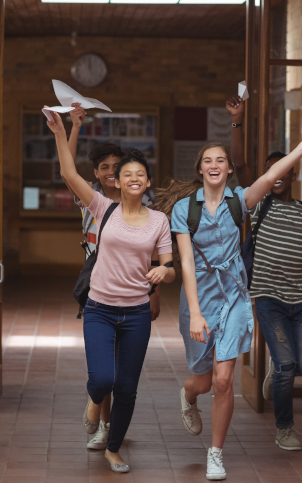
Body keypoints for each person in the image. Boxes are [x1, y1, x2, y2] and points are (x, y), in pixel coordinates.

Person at [153, 129, 302, 481]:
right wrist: (196, 313)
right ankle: (188, 395)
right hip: (198, 299)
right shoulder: (185, 209)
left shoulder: (239, 201)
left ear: (230, 169)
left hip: (233, 296)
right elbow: (185, 263)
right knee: (202, 383)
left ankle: (215, 453)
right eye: (208, 161)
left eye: (220, 160)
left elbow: (269, 177)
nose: (214, 165)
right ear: (200, 170)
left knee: (222, 380)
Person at [46, 109, 176, 473]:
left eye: (140, 175)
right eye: (126, 174)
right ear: (116, 181)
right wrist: (62, 130)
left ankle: (114, 447)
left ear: (147, 182)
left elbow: (169, 266)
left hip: (136, 313)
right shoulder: (103, 208)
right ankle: (92, 402)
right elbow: (69, 173)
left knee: (128, 388)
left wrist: (161, 276)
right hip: (100, 308)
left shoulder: (159, 220)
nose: (133, 179)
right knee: (103, 378)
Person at [227, 95, 302, 452]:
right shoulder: (259, 203)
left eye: (282, 170)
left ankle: (278, 373)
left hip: (300, 299)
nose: (276, 177)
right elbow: (239, 163)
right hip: (268, 297)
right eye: (271, 172)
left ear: (293, 174)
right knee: (287, 364)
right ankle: (284, 428)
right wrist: (238, 120)